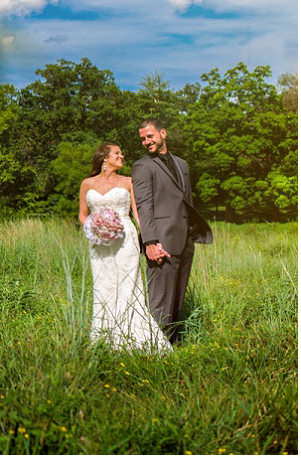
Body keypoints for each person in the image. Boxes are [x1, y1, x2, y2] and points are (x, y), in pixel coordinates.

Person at [78, 142, 170, 353]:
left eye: (121, 152)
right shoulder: (87, 184)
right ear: (104, 158)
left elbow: (138, 214)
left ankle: (135, 339)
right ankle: (105, 339)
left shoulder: (129, 182)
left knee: (129, 286)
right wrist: (96, 227)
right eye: (117, 153)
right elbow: (83, 215)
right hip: (99, 243)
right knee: (104, 286)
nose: (122, 156)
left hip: (126, 240)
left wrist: (150, 241)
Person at [132, 119, 213, 345]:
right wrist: (149, 242)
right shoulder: (142, 166)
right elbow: (144, 205)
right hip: (160, 243)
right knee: (160, 302)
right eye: (142, 139)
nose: (146, 142)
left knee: (177, 300)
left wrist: (192, 234)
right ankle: (153, 350)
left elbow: (187, 201)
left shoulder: (182, 164)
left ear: (163, 133)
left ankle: (174, 347)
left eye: (150, 136)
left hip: (185, 241)